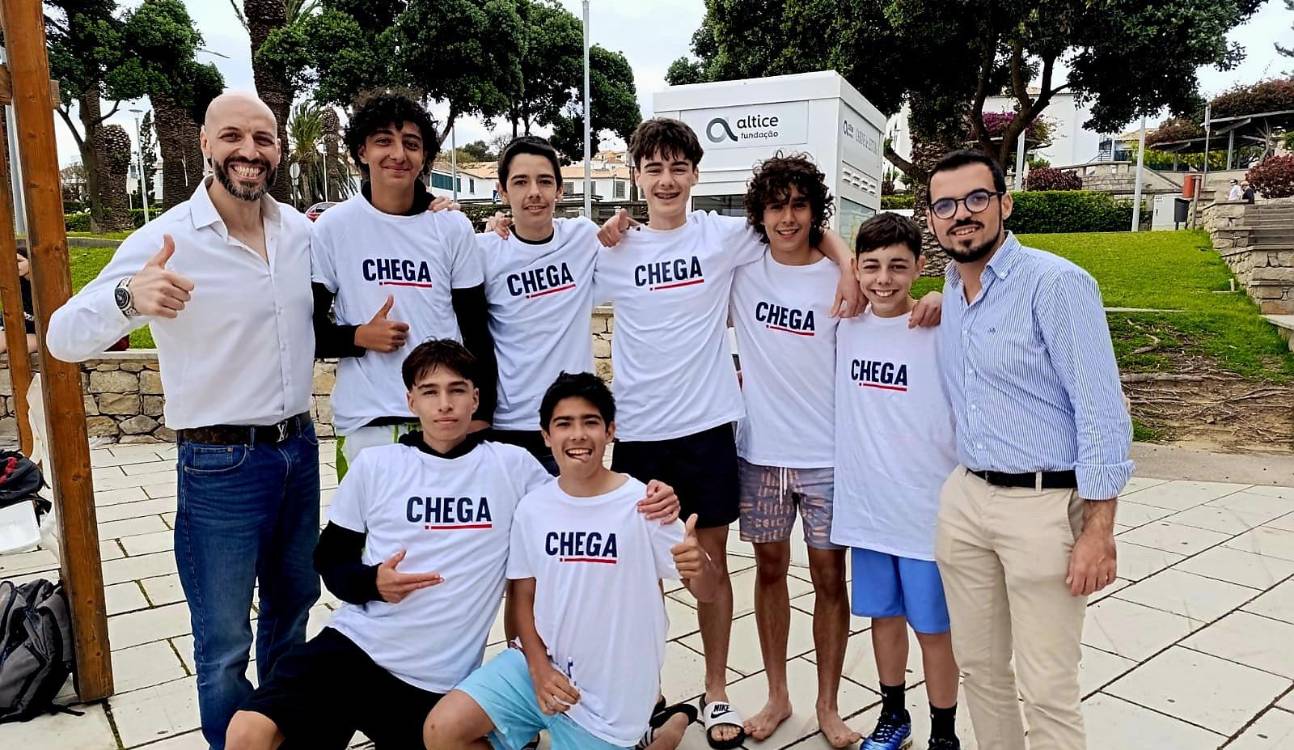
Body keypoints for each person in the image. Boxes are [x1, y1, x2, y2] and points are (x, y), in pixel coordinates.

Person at [224, 344, 681, 750]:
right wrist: (372, 582)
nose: (444, 404)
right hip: (353, 648)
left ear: (475, 399)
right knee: (246, 732)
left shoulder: (511, 467)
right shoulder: (376, 465)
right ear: (411, 401)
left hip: (432, 683)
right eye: (430, 391)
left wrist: (650, 494)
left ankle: (657, 729)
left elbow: (583, 498)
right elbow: (329, 560)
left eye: (457, 390)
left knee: (446, 734)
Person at [47, 91, 319, 749]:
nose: (249, 151)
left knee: (292, 613)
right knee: (223, 637)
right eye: (233, 137)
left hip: (299, 449)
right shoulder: (166, 240)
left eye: (263, 138)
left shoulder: (300, 233)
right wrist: (127, 296)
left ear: (278, 148)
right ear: (204, 143)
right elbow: (60, 337)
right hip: (220, 465)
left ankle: (278, 736)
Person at [595, 118, 860, 749]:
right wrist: (495, 224)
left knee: (711, 569)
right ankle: (646, 694)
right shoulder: (611, 248)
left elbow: (804, 224)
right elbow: (537, 251)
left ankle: (717, 692)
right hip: (641, 436)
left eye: (677, 168)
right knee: (643, 575)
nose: (666, 180)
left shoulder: (723, 237)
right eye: (653, 169)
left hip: (709, 431)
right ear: (636, 176)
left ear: (694, 174)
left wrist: (849, 265)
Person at [728, 154, 940, 747]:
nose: (787, 218)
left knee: (829, 578)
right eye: (776, 206)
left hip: (828, 456)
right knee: (769, 571)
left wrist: (851, 265)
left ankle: (828, 704)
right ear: (760, 213)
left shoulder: (843, 279)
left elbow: (900, 308)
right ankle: (777, 695)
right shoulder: (743, 269)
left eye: (799, 205)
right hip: (761, 453)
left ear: (815, 211)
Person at [928, 150, 1131, 750]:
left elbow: (1101, 408)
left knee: (1047, 686)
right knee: (979, 669)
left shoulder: (1056, 284)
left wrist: (1099, 529)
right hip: (967, 497)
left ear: (1005, 203)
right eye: (945, 205)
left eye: (976, 198)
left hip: (1044, 505)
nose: (961, 214)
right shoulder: (951, 290)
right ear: (932, 219)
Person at [424, 371, 719, 750]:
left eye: (590, 422)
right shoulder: (533, 508)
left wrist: (701, 565)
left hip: (609, 698)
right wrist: (538, 668)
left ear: (610, 431)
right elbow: (523, 600)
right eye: (564, 424)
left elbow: (708, 592)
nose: (577, 434)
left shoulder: (644, 504)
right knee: (441, 731)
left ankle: (670, 728)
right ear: (546, 436)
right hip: (539, 670)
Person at [311, 90, 497, 478]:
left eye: (411, 144)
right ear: (361, 151)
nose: (398, 154)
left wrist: (482, 415)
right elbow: (306, 331)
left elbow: (476, 329)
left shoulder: (451, 227)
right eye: (384, 141)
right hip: (366, 423)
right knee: (367, 522)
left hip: (444, 422)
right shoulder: (332, 228)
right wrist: (358, 336)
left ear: (424, 156)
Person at [833, 213, 961, 750]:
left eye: (897, 267)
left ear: (919, 267)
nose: (883, 279)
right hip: (867, 510)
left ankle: (944, 734)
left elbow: (980, 304)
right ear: (856, 269)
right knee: (883, 620)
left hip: (926, 512)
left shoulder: (940, 327)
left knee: (933, 629)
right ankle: (893, 716)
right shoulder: (844, 328)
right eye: (871, 267)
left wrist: (946, 297)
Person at [478, 136, 600, 475]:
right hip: (508, 425)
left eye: (544, 181)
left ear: (559, 190)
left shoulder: (582, 237)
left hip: (571, 423)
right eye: (520, 182)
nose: (534, 192)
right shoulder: (484, 252)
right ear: (502, 191)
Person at [0, 250, 40, 355]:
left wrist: (31, 268)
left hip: (37, 335)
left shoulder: (48, 292)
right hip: (14, 329)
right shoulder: (11, 286)